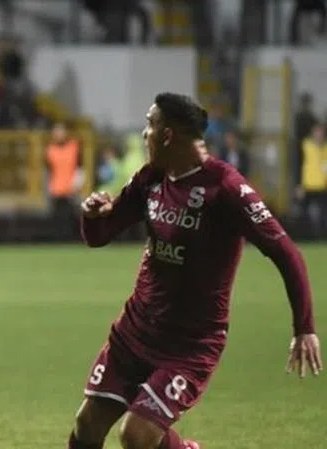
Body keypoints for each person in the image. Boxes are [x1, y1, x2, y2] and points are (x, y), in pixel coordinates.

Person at [69, 93, 322, 449]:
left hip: (189, 345)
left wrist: (304, 327)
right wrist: (92, 216)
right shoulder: (151, 179)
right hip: (135, 331)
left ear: (168, 135)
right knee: (87, 426)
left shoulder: (225, 186)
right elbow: (100, 236)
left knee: (136, 436)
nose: (144, 133)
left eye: (149, 124)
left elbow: (286, 252)